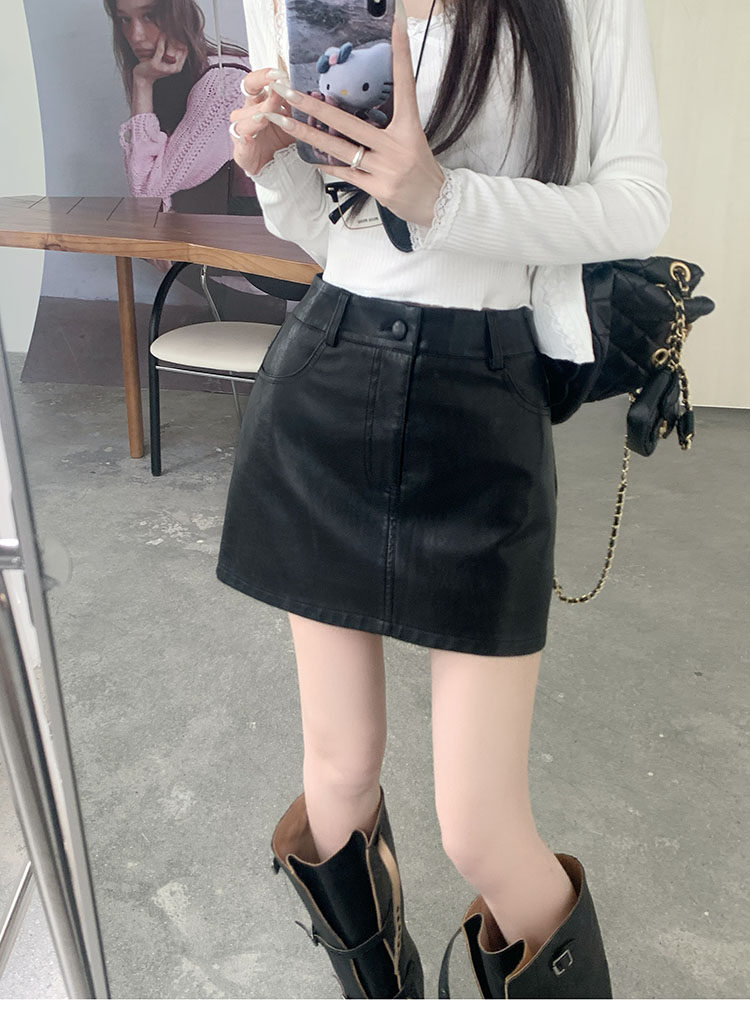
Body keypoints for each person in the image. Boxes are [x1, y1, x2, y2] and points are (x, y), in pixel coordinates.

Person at [217, 0, 670, 999]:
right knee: (338, 773)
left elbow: (639, 203)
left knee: (481, 825)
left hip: (485, 397)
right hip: (328, 387)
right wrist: (271, 166)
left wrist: (444, 198)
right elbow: (327, 235)